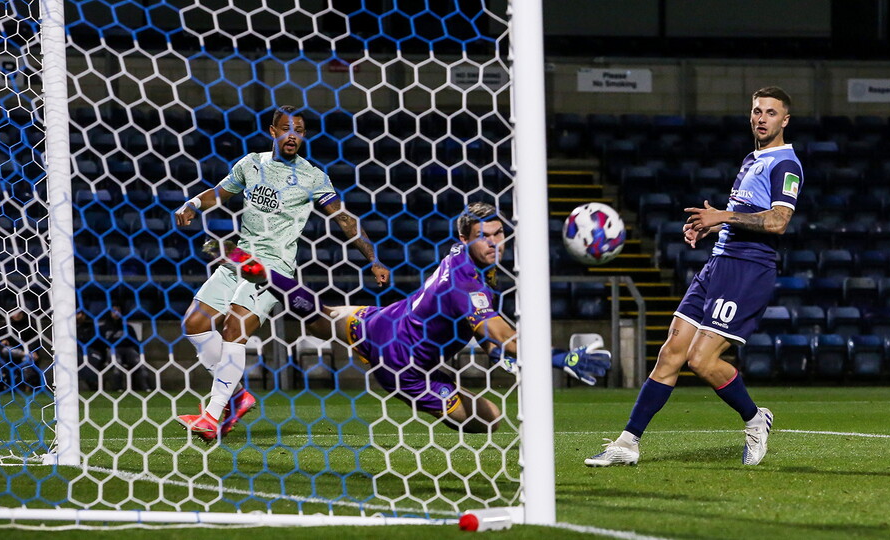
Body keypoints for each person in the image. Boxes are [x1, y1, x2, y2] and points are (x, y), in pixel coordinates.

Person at [179, 202, 612, 440]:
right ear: (464, 238)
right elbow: (503, 336)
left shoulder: (467, 260)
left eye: (498, 234)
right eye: (484, 236)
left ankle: (256, 270)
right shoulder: (467, 284)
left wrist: (497, 350)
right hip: (404, 368)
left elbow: (489, 337)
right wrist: (561, 358)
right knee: (488, 420)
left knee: (321, 318)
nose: (494, 242)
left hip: (383, 322)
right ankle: (258, 272)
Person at [584, 87, 803, 467]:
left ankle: (755, 419)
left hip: (748, 269)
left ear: (785, 120)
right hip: (718, 263)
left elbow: (778, 221)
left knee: (701, 360)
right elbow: (746, 217)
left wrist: (722, 215)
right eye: (757, 111)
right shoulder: (752, 158)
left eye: (771, 112)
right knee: (671, 351)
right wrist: (711, 228)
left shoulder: (786, 164)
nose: (761, 118)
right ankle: (627, 443)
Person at [174, 106, 390, 437]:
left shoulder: (312, 176)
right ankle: (237, 395)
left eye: (299, 131)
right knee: (195, 324)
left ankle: (212, 416)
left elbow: (345, 220)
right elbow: (219, 194)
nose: (293, 136)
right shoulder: (251, 164)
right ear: (273, 131)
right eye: (286, 129)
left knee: (234, 328)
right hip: (238, 257)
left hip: (272, 268)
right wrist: (193, 204)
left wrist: (373, 259)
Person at [99, 305, 153, 391]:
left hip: (128, 349)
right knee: (117, 363)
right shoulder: (103, 328)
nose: (116, 313)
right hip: (112, 349)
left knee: (139, 362)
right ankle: (118, 387)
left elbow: (135, 342)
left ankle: (145, 387)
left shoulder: (128, 327)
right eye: (114, 311)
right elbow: (100, 343)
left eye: (118, 311)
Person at [0, 308, 44, 392]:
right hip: (12, 352)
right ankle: (24, 354)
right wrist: (3, 340)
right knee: (6, 350)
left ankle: (28, 385)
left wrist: (33, 350)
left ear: (22, 313)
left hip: (28, 351)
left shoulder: (30, 324)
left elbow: (36, 340)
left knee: (26, 361)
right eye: (14, 313)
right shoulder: (7, 325)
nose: (16, 315)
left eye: (18, 313)